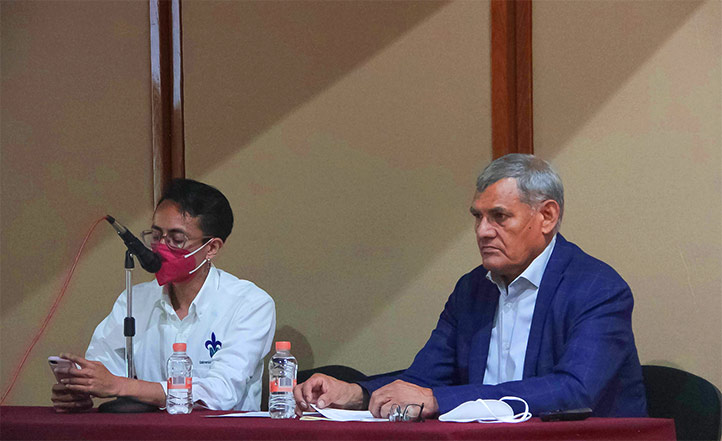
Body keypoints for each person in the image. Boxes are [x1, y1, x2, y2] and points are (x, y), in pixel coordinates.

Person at [294, 154, 647, 419]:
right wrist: (357, 394)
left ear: (547, 216)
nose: (482, 231)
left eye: (499, 216)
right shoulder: (472, 289)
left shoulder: (597, 289)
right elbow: (423, 379)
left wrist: (439, 401)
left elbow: (574, 390)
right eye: (478, 217)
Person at [51, 179, 276, 412]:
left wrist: (121, 386)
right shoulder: (135, 300)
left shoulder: (250, 304)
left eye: (177, 240)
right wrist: (81, 387)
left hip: (219, 429)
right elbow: (104, 366)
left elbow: (221, 391)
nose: (161, 247)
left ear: (211, 248)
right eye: (156, 236)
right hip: (146, 430)